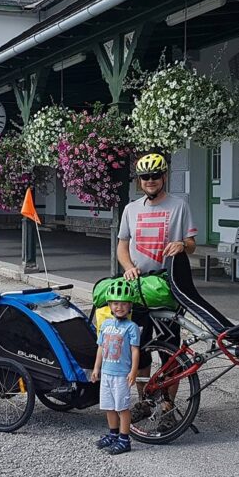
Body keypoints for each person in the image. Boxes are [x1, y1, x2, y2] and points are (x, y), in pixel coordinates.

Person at [116, 152, 196, 423]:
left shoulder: (179, 206)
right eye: (144, 177)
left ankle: (168, 406)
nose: (149, 181)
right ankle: (144, 401)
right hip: (138, 286)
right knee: (140, 346)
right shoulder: (131, 209)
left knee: (170, 349)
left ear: (164, 177)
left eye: (154, 176)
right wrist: (127, 266)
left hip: (166, 285)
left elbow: (192, 243)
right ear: (139, 181)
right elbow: (122, 245)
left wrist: (182, 245)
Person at [90, 279, 140, 455]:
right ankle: (113, 434)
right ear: (110, 305)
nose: (119, 307)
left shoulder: (132, 327)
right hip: (106, 373)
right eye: (115, 303)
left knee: (122, 407)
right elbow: (101, 348)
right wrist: (96, 368)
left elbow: (135, 351)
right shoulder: (105, 325)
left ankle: (124, 439)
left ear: (130, 305)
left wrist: (133, 370)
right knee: (109, 406)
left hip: (121, 375)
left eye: (124, 304)